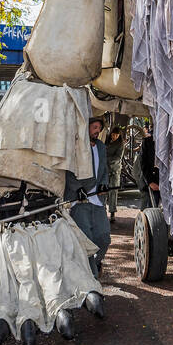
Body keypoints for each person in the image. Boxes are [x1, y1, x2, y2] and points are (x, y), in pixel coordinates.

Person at [68, 117, 111, 277]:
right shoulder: (77, 145)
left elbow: (104, 169)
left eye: (99, 128)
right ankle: (91, 277)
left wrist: (104, 184)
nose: (97, 130)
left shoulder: (100, 146)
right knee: (86, 239)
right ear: (86, 128)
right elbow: (68, 170)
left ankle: (96, 262)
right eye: (94, 127)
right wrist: (77, 188)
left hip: (97, 201)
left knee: (104, 238)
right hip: (79, 201)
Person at [104, 124, 124, 223]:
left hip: (115, 170)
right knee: (103, 190)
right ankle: (102, 210)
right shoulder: (106, 141)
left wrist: (106, 159)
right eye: (113, 135)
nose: (114, 137)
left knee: (113, 191)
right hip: (105, 170)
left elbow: (118, 157)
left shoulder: (120, 144)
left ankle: (112, 212)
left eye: (116, 135)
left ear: (119, 135)